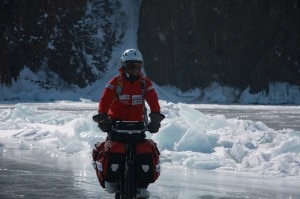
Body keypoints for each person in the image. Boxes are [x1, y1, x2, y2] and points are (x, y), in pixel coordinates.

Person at [93, 49, 165, 198]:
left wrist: (155, 119)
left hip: (138, 127)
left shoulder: (145, 84)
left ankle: (142, 186)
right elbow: (104, 101)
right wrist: (102, 119)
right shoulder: (115, 83)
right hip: (116, 127)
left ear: (141, 66)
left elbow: (153, 101)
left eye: (137, 66)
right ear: (124, 66)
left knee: (143, 153)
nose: (134, 69)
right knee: (112, 152)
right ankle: (112, 181)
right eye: (131, 66)